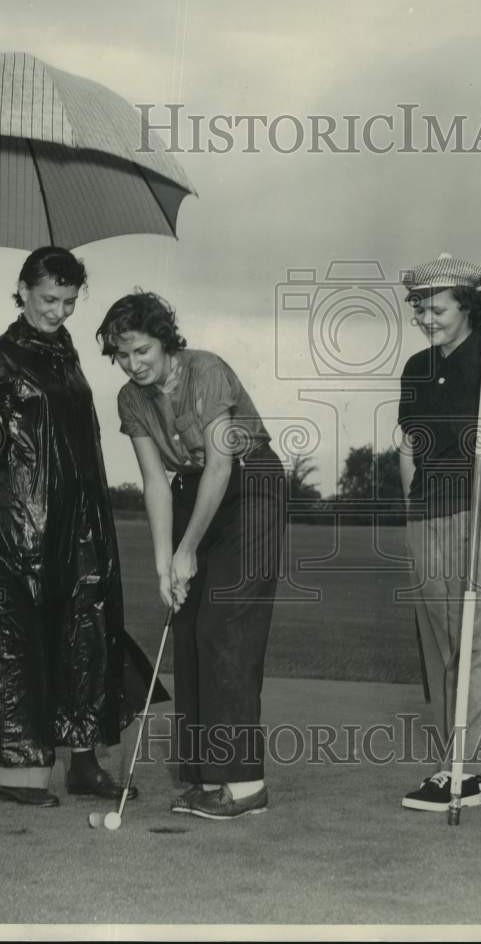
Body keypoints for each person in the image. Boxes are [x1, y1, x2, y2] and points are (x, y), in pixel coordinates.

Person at [0, 247, 167, 807]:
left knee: (88, 633)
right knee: (23, 639)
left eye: (67, 300)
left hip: (82, 523)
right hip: (22, 529)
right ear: (23, 289)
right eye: (48, 299)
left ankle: (84, 766)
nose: (59, 310)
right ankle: (20, 773)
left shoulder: (65, 352)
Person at [96, 291, 286, 820]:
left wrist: (187, 547)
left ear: (166, 341)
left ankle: (245, 786)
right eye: (122, 355)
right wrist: (165, 562)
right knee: (190, 628)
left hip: (250, 490)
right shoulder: (130, 399)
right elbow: (156, 481)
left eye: (142, 351)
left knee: (225, 626)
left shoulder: (207, 371)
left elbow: (222, 468)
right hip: (190, 492)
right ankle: (208, 780)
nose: (133, 364)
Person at [397, 244, 481, 812]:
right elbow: (408, 444)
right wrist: (413, 507)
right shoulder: (416, 367)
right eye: (420, 309)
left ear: (469, 306)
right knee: (445, 640)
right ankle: (475, 753)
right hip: (430, 509)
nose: (428, 319)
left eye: (439, 309)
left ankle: (462, 769)